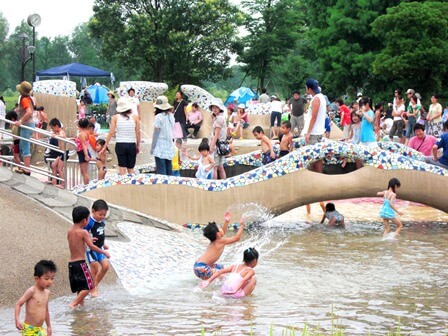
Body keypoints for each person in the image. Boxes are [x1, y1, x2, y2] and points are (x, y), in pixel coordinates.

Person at [68, 206, 110, 309]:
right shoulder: (84, 232)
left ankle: (80, 310)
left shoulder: (70, 231)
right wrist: (104, 252)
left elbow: (77, 241)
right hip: (80, 263)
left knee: (80, 288)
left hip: (71, 264)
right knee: (89, 286)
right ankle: (73, 304)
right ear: (84, 220)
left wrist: (88, 239)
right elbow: (92, 247)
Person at [194, 211, 245, 280]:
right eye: (219, 227)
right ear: (218, 234)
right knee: (224, 277)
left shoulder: (215, 240)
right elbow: (237, 238)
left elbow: (222, 232)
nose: (221, 228)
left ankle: (209, 284)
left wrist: (226, 221)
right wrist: (241, 225)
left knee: (221, 268)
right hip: (203, 268)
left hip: (198, 266)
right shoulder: (220, 241)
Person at [14, 260, 57, 336]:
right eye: (46, 279)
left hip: (40, 329)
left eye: (52, 278)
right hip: (29, 329)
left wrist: (49, 327)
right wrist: (17, 320)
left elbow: (46, 311)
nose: (50, 282)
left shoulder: (47, 293)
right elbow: (18, 304)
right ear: (37, 279)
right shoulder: (32, 291)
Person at [102, 97, 141, 175]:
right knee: (131, 168)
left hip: (120, 144)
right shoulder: (135, 117)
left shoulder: (115, 117)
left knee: (122, 168)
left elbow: (111, 132)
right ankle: (131, 185)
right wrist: (138, 145)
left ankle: (123, 185)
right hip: (131, 144)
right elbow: (138, 132)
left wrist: (104, 146)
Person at [84, 200, 110, 297]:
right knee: (94, 268)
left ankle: (94, 285)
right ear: (93, 211)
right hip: (91, 249)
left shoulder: (102, 221)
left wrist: (103, 244)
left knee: (106, 266)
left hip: (100, 248)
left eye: (104, 215)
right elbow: (82, 233)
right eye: (100, 214)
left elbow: (101, 234)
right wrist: (88, 239)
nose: (102, 217)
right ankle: (94, 288)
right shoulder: (89, 223)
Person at [304, 79, 327, 173]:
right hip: (318, 131)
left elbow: (314, 117)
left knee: (314, 158)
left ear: (309, 89)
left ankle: (317, 177)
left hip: (314, 132)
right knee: (317, 157)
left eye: (306, 87)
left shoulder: (316, 99)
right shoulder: (321, 97)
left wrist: (308, 133)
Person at [15, 81, 36, 175]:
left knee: (25, 146)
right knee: (23, 146)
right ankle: (25, 167)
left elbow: (29, 112)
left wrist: (20, 121)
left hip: (27, 125)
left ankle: (27, 169)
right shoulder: (29, 98)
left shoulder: (24, 99)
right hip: (30, 124)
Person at [151, 95, 175, 175]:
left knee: (161, 173)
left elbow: (156, 134)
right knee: (169, 171)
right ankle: (171, 187)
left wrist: (152, 147)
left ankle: (162, 187)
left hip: (160, 147)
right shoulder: (171, 116)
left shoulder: (159, 117)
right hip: (169, 146)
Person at [209, 98, 227, 179]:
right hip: (221, 145)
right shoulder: (220, 117)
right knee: (220, 166)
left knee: (215, 167)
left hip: (217, 145)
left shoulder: (219, 119)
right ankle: (224, 182)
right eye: (213, 107)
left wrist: (212, 146)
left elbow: (216, 134)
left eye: (216, 107)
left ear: (220, 108)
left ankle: (214, 185)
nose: (214, 109)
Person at [48, 118, 68, 188]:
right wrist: (54, 134)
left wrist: (56, 136)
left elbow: (63, 136)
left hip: (64, 153)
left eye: (52, 128)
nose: (52, 129)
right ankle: (54, 181)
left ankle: (62, 184)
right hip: (61, 152)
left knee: (59, 169)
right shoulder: (57, 132)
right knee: (53, 166)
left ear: (56, 126)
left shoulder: (61, 131)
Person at [76, 118, 92, 185]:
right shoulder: (87, 133)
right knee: (84, 172)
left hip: (83, 153)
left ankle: (86, 186)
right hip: (84, 152)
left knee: (84, 172)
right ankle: (86, 185)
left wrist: (86, 155)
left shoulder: (81, 134)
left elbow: (83, 145)